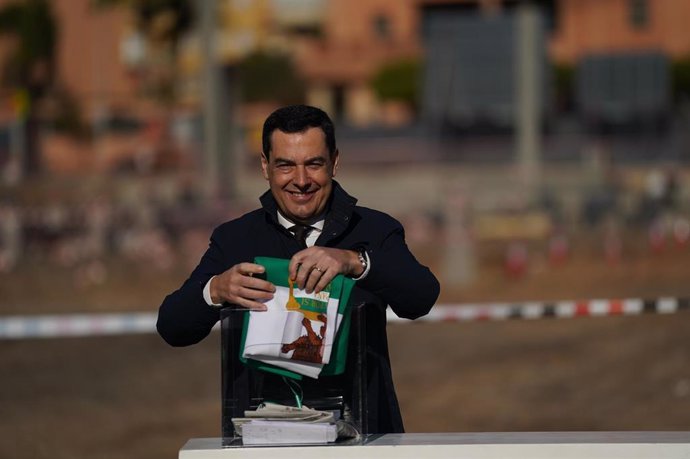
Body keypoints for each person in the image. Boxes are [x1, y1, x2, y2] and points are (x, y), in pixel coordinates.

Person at [157, 104, 440, 434]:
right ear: (265, 167)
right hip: (262, 439)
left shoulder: (376, 229)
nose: (301, 180)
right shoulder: (235, 238)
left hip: (364, 436)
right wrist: (214, 290)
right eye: (286, 166)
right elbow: (172, 327)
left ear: (335, 162)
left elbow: (422, 297)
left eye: (314, 164)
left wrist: (355, 261)